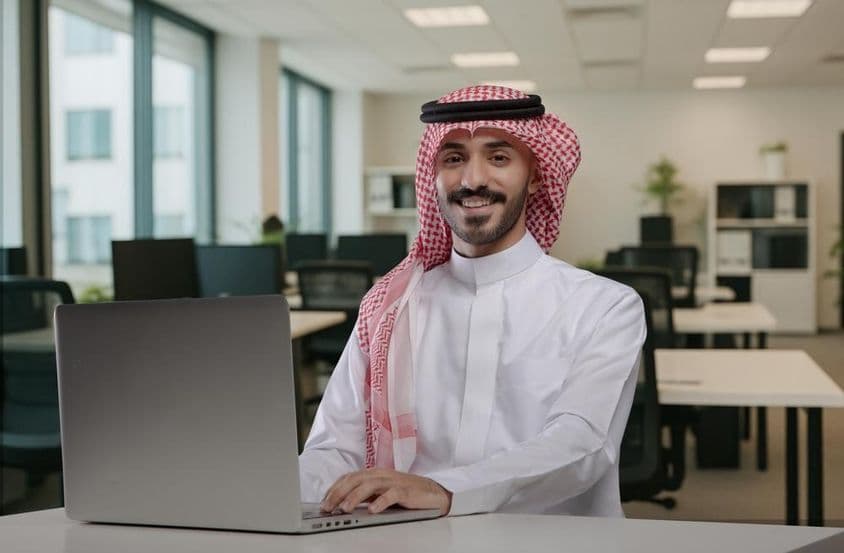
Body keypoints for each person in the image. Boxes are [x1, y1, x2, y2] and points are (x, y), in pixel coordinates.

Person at [299, 85, 646, 518]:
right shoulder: (391, 307)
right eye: (453, 159)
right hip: (409, 541)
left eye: (498, 158)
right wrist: (275, 495)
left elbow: (581, 444)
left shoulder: (604, 307)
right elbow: (335, 447)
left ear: (535, 175)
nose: (472, 180)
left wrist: (445, 490)